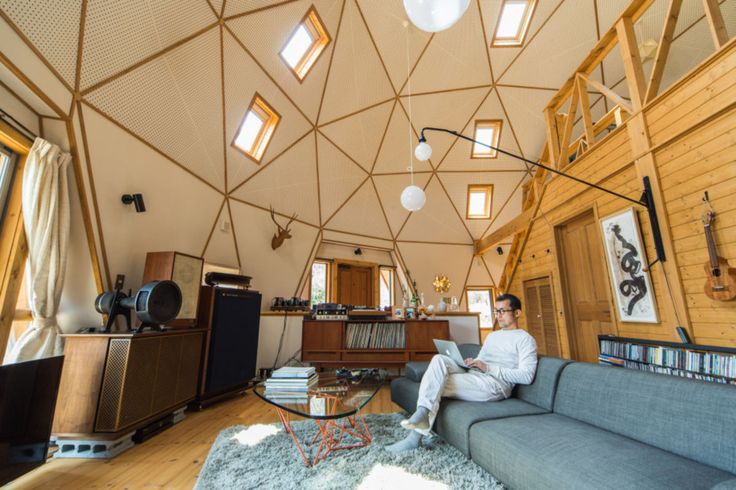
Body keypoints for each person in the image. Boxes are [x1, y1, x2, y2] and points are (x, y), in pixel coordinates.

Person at [386, 293, 538, 453]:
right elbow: (482, 359)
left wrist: (488, 368)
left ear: (517, 313)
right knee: (439, 359)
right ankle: (422, 412)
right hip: (476, 375)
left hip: (494, 385)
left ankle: (414, 436)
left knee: (435, 383)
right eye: (496, 311)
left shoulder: (525, 340)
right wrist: (472, 363)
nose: (498, 316)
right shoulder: (493, 336)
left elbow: (526, 376)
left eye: (502, 311)